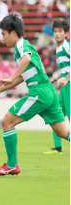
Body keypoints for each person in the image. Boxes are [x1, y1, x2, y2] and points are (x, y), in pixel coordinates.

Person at [0, 14, 70, 176]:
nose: (2, 39)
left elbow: (26, 59)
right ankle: (11, 165)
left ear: (13, 33)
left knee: (7, 121)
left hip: (39, 92)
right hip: (49, 91)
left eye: (3, 34)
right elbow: (23, 75)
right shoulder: (22, 46)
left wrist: (10, 77)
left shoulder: (21, 45)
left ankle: (11, 166)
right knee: (63, 132)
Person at [44, 19, 70, 154]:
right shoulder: (59, 48)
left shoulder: (66, 46)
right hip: (64, 86)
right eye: (55, 31)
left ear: (66, 33)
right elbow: (65, 69)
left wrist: (66, 79)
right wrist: (55, 78)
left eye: (60, 31)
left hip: (69, 85)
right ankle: (58, 148)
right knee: (56, 114)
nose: (57, 34)